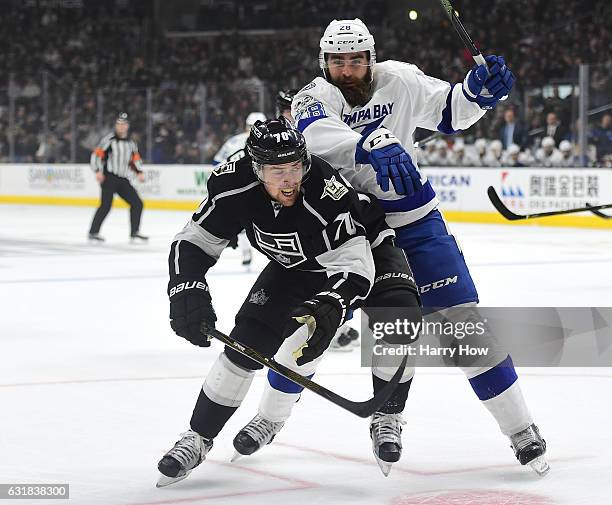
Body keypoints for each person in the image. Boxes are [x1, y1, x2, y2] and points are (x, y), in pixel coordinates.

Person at [284, 18, 547, 474]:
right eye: (337, 61)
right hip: (346, 228)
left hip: (413, 217)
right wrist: (369, 145)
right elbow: (315, 133)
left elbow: (451, 109)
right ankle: (342, 416)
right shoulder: (313, 96)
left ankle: (520, 428)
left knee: (462, 324)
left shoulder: (400, 79)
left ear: (371, 58)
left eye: (356, 60)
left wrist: (479, 90)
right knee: (321, 328)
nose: (346, 70)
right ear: (323, 63)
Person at [157, 118, 420, 485]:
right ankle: (198, 437)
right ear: (256, 168)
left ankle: (387, 415)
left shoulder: (325, 192)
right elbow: (193, 240)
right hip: (296, 265)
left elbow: (356, 266)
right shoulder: (233, 184)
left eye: (295, 167)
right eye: (277, 170)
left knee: (400, 320)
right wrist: (186, 286)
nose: (289, 179)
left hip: (368, 250)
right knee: (246, 342)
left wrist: (333, 302)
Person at [213, 111, 266, 266]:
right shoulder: (266, 142)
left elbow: (216, 163)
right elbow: (217, 163)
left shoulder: (234, 141)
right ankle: (247, 251)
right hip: (256, 189)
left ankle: (247, 251)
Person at [88, 113, 148, 243]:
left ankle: (134, 233)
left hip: (122, 178)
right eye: (119, 124)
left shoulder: (131, 143)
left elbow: (135, 159)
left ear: (127, 126)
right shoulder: (109, 140)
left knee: (137, 204)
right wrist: (97, 171)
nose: (121, 127)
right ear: (116, 126)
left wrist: (139, 172)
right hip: (109, 177)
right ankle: (93, 232)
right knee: (105, 206)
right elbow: (97, 155)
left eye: (123, 124)